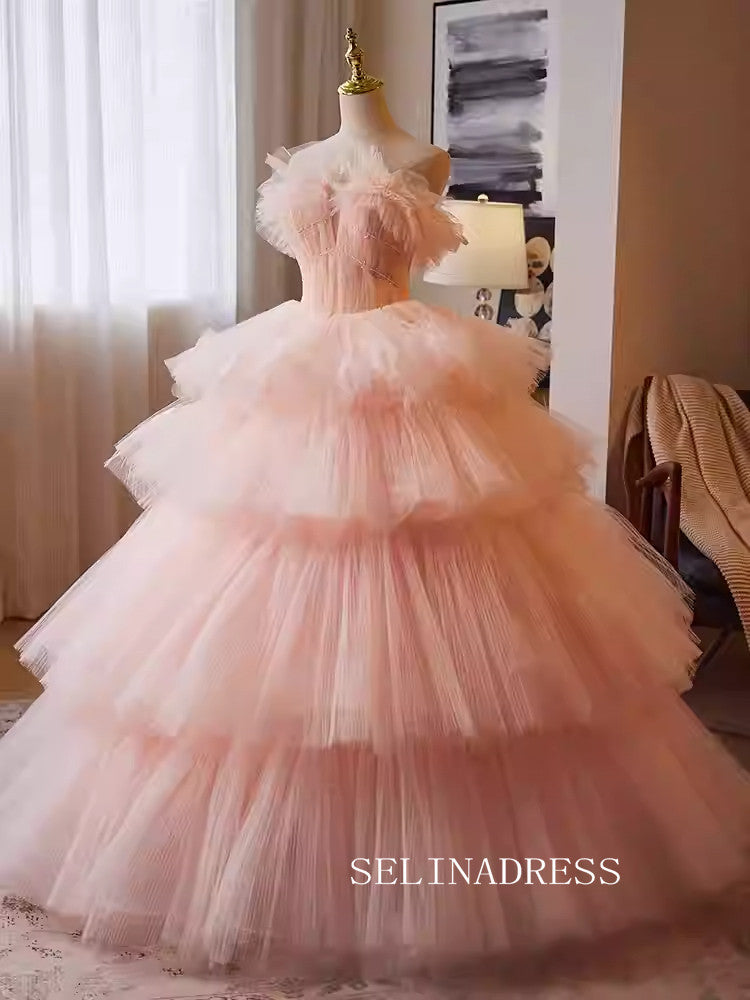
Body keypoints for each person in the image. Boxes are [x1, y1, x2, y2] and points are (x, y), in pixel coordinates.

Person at [0, 27, 748, 981]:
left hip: (404, 376)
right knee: (256, 595)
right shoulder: (305, 159)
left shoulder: (424, 158)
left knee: (442, 595)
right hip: (304, 369)